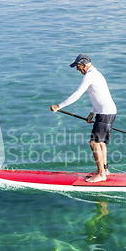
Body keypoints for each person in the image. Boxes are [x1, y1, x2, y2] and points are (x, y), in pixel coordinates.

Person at [50, 54, 117, 182]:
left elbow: (77, 94)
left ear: (84, 65)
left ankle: (101, 174)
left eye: (78, 66)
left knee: (94, 143)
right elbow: (100, 96)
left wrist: (59, 106)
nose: (77, 69)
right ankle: (104, 170)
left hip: (104, 112)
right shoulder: (97, 74)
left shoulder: (89, 75)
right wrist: (92, 112)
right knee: (100, 142)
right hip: (108, 111)